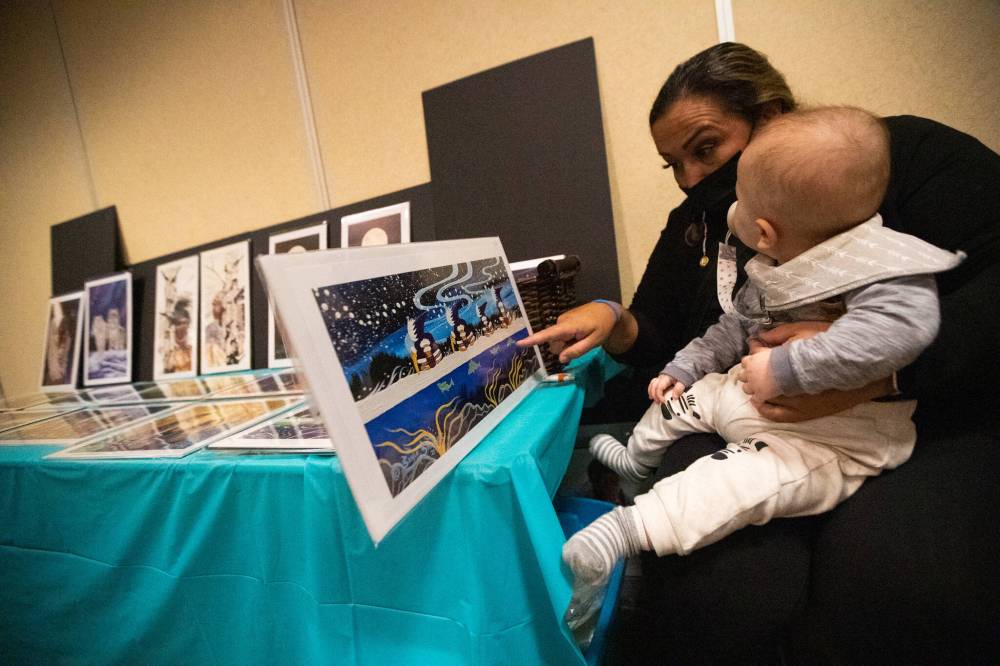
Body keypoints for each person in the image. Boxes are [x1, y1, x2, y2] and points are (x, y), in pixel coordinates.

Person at [518, 42, 1000, 662]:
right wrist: (612, 317)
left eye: (705, 148)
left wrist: (863, 370)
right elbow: (672, 332)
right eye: (673, 165)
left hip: (921, 418)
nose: (693, 179)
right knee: (727, 592)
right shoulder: (699, 222)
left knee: (893, 583)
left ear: (770, 116)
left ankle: (629, 521)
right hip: (752, 405)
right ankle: (634, 477)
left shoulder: (887, 162)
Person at [563, 104, 963, 625]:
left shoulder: (883, 267)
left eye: (741, 201)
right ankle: (637, 462)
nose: (698, 187)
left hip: (829, 437)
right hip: (750, 393)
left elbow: (897, 332)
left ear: (767, 230)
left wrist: (785, 370)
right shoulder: (774, 265)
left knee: (739, 482)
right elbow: (731, 329)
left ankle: (627, 530)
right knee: (680, 399)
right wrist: (683, 369)